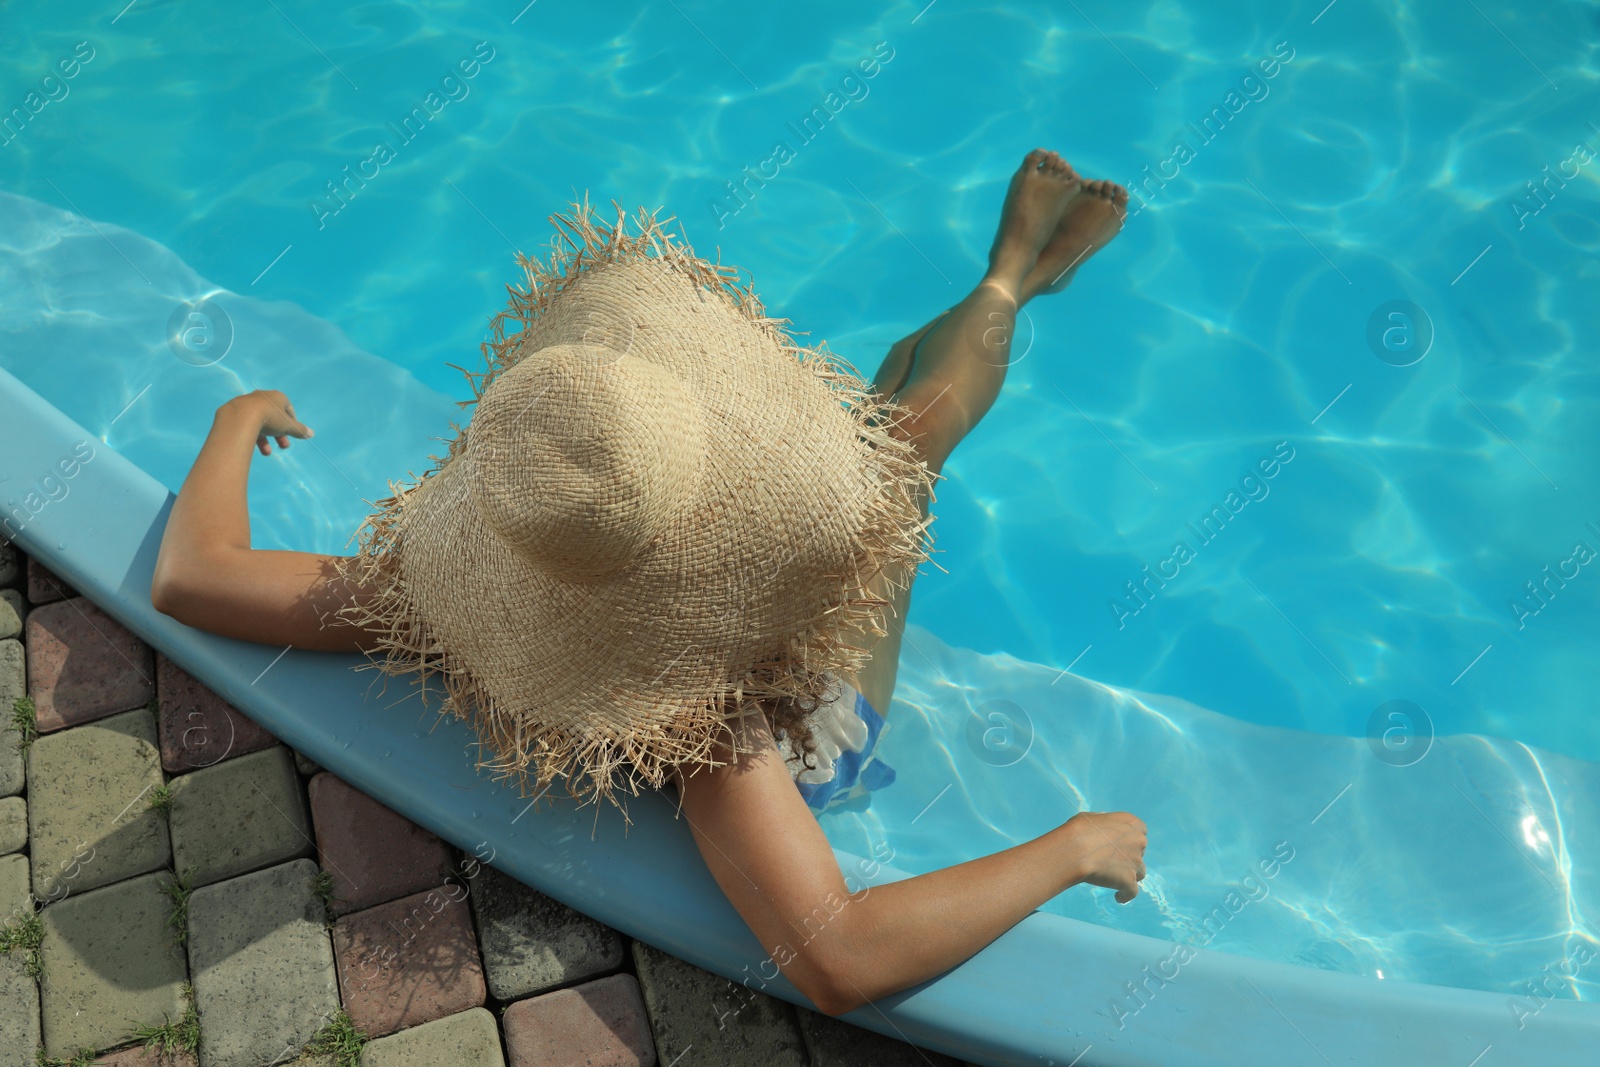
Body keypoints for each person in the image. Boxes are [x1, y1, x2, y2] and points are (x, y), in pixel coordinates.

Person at [151, 149, 1147, 1017]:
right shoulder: (708, 724)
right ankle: (1011, 278)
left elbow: (197, 576)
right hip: (817, 713)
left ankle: (1009, 279)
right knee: (907, 449)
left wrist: (235, 419)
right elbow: (840, 958)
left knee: (890, 424)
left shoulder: (431, 595)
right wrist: (1074, 845)